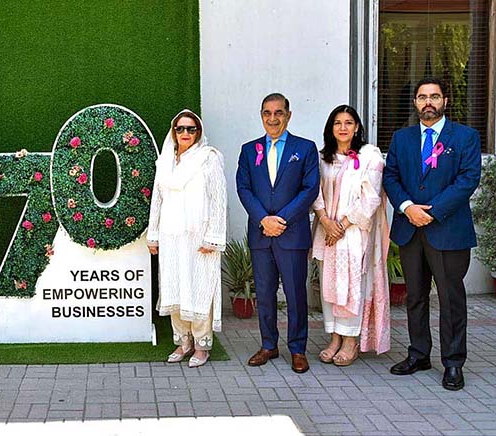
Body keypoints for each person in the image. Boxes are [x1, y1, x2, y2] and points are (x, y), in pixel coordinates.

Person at [383, 77, 481, 391]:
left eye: (435, 96)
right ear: (415, 102)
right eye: (423, 96)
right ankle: (419, 354)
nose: (429, 102)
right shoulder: (401, 138)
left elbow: (467, 180)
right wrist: (408, 206)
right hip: (410, 229)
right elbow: (391, 176)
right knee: (415, 297)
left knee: (451, 299)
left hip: (448, 231)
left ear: (445, 101)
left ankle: (453, 363)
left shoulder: (465, 137)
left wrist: (432, 210)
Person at [236, 93, 319, 373]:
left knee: (296, 293)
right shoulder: (249, 150)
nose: (273, 118)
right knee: (265, 292)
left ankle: (297, 348)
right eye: (267, 113)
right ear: (261, 115)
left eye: (279, 113)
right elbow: (244, 188)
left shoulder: (305, 148)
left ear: (288, 115)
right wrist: (262, 219)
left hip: (291, 233)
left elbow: (310, 189)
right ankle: (269, 345)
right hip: (261, 234)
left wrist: (281, 219)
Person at [311, 105, 390, 367]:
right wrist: (325, 221)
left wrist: (341, 226)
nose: (343, 128)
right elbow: (314, 192)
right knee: (329, 286)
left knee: (352, 286)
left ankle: (350, 341)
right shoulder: (323, 158)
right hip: (327, 232)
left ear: (357, 127)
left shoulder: (370, 156)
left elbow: (371, 198)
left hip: (353, 233)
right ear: (330, 128)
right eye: (337, 123)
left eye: (348, 122)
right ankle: (334, 337)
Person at [147, 109, 227, 368]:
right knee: (175, 288)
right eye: (180, 129)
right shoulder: (165, 161)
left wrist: (212, 238)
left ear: (198, 132)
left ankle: (202, 346)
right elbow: (157, 200)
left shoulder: (208, 158)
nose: (185, 133)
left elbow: (218, 200)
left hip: (199, 237)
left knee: (199, 289)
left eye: (191, 129)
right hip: (171, 236)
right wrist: (153, 235)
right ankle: (183, 342)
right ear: (174, 131)